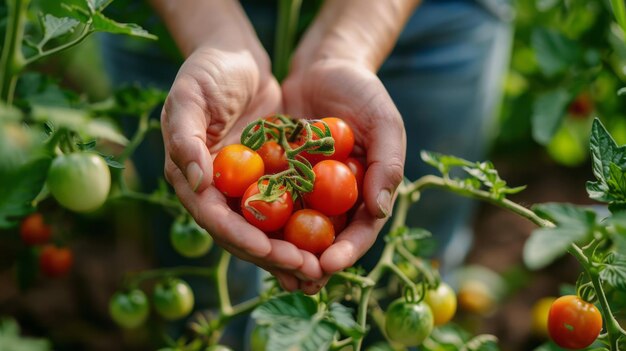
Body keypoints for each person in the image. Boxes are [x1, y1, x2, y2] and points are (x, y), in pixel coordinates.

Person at [102, 0, 513, 298]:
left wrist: (347, 44)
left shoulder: (280, 168)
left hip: (424, 13)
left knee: (405, 272)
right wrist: (211, 30)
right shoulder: (294, 163)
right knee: (202, 284)